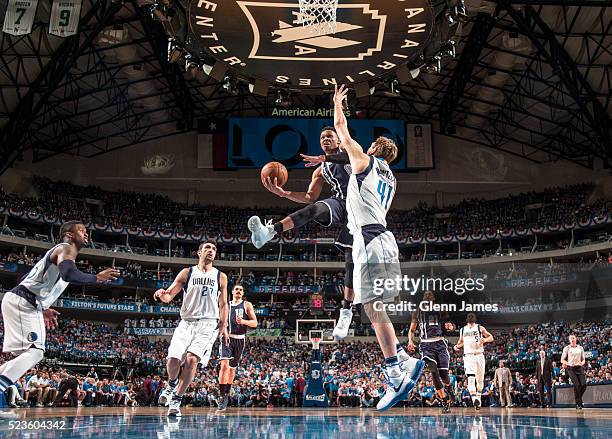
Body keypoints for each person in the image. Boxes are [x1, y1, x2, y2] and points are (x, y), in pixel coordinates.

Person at [331, 84, 424, 411]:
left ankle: (395, 373)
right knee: (375, 306)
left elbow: (341, 131)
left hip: (368, 239)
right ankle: (404, 360)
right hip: (387, 239)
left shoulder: (365, 162)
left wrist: (337, 104)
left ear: (373, 149)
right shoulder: (391, 178)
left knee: (372, 307)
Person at [247, 126, 357, 341]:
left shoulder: (350, 153)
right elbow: (309, 197)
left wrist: (326, 157)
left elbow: (348, 157)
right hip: (340, 203)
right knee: (315, 208)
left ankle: (346, 310)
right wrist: (284, 193)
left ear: (338, 141)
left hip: (361, 206)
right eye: (322, 137)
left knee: (350, 260)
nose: (325, 139)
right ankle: (269, 232)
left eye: (329, 137)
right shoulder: (320, 170)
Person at [0, 221, 118, 396]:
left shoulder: (60, 255)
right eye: (81, 231)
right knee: (35, 353)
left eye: (86, 232)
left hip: (24, 301)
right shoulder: (65, 248)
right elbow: (68, 273)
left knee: (28, 355)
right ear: (69, 235)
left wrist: (41, 307)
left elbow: (24, 279)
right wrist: (96, 278)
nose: (86, 234)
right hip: (23, 303)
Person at [154, 240, 229, 417]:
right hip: (186, 322)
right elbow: (169, 296)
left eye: (214, 249)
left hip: (208, 323)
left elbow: (224, 304)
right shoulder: (187, 272)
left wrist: (224, 326)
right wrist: (160, 295)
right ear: (199, 252)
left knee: (191, 360)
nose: (211, 251)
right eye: (207, 248)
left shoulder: (221, 276)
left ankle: (176, 400)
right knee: (172, 361)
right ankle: (172, 384)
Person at [409, 290, 455, 413]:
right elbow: (412, 330)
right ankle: (444, 400)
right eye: (426, 298)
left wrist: (451, 327)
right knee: (433, 372)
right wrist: (410, 341)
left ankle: (449, 388)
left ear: (433, 300)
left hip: (440, 343)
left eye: (430, 298)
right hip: (426, 345)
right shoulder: (417, 312)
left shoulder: (440, 309)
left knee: (444, 376)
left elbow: (449, 323)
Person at [217, 284, 257, 411]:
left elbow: (255, 323)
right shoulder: (226, 305)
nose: (238, 291)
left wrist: (243, 322)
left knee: (232, 370)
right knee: (224, 365)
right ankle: (222, 396)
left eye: (241, 290)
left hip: (240, 339)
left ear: (243, 293)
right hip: (226, 337)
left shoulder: (247, 305)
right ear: (232, 292)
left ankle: (227, 393)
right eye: (236, 289)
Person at [453, 313, 493, 410]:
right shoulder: (463, 330)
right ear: (467, 319)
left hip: (479, 355)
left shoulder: (480, 327)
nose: (471, 318)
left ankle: (478, 398)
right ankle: (474, 397)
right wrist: (456, 346)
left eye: (472, 317)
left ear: (475, 319)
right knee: (470, 378)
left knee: (480, 380)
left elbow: (491, 337)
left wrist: (485, 340)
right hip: (469, 356)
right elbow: (460, 342)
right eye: (469, 317)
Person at [561, 334, 587, 409]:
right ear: (569, 340)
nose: (572, 340)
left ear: (576, 339)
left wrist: (582, 363)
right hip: (571, 368)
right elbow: (562, 360)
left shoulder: (580, 348)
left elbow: (583, 359)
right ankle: (578, 403)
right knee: (577, 385)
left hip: (579, 367)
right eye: (571, 339)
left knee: (583, 385)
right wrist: (568, 363)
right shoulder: (567, 348)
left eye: (573, 338)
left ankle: (579, 399)